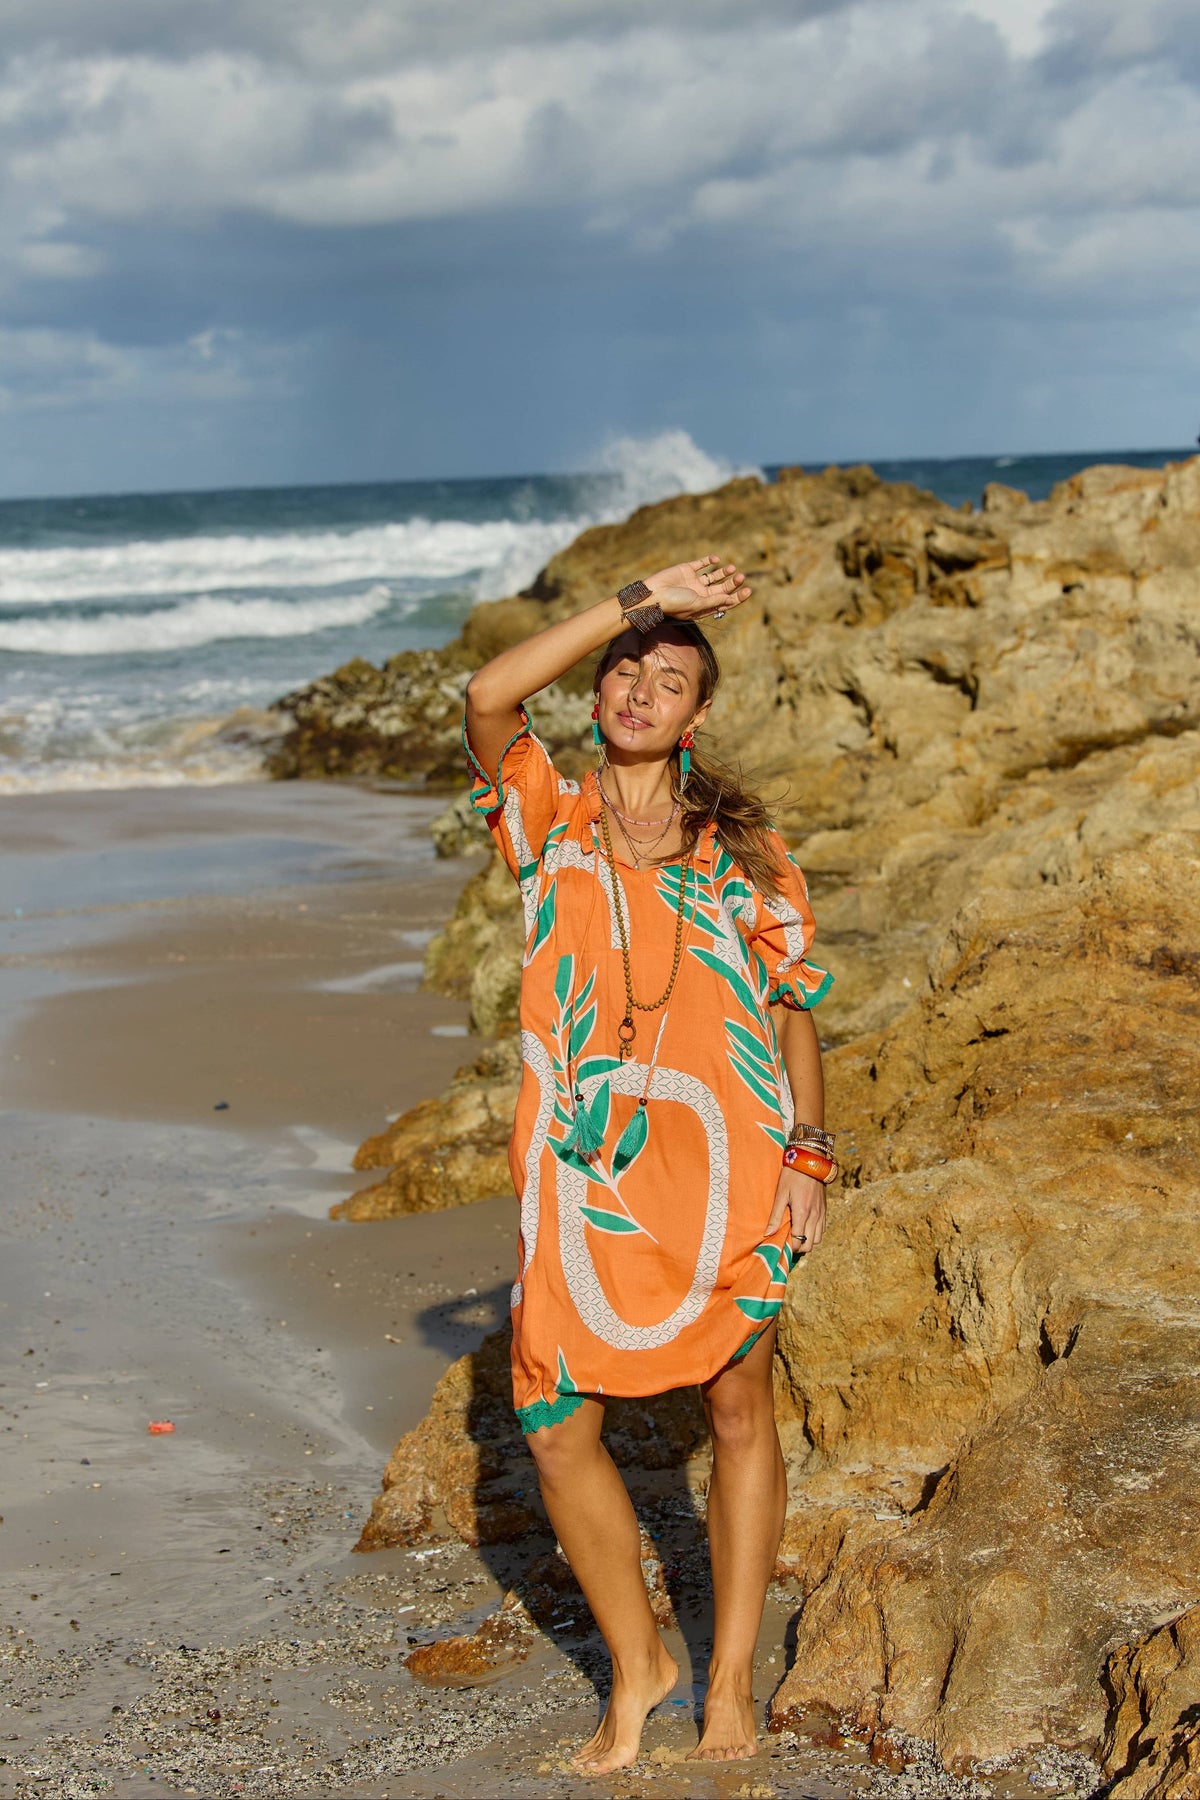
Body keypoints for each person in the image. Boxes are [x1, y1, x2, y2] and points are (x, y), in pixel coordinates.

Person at [463, 555, 835, 1771]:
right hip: (581, 1166)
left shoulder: (744, 849)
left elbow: (793, 1006)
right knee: (554, 1419)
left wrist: (810, 1154)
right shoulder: (546, 816)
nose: (639, 689)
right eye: (626, 671)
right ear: (596, 689)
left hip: (728, 1159)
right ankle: (640, 1668)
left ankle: (728, 1681)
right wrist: (636, 602)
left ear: (697, 715)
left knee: (736, 1408)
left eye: (669, 680)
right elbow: (487, 696)